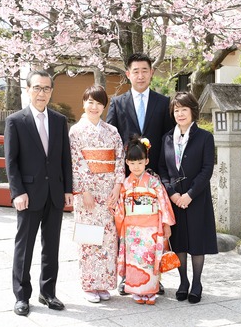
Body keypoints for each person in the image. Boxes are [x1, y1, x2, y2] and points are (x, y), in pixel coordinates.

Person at [4, 70, 73, 317]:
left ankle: (48, 292)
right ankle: (22, 296)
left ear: (51, 91)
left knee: (51, 246)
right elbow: (10, 162)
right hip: (29, 195)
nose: (41, 93)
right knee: (25, 246)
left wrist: (68, 189)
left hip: (54, 193)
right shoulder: (16, 121)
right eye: (37, 88)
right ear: (28, 89)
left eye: (46, 88)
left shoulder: (59, 120)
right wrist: (17, 192)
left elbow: (65, 158)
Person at [106, 52, 174, 295]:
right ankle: (128, 277)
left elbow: (168, 139)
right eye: (135, 71)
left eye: (145, 70)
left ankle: (154, 275)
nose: (141, 75)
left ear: (151, 72)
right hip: (128, 176)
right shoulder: (118, 103)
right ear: (128, 74)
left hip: (153, 176)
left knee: (152, 229)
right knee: (129, 230)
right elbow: (112, 139)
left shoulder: (163, 102)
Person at [158, 91, 218, 304]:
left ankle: (197, 282)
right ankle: (183, 281)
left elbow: (207, 169)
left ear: (193, 111)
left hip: (196, 198)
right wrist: (172, 193)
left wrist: (189, 194)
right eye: (176, 110)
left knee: (197, 242)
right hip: (174, 199)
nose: (180, 113)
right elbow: (162, 169)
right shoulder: (166, 138)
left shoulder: (205, 137)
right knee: (179, 241)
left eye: (184, 109)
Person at [69, 85, 125, 303]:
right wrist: (84, 190)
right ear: (83, 103)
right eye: (90, 102)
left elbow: (119, 158)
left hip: (108, 193)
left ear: (104, 106)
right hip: (87, 194)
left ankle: (104, 284)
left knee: (108, 239)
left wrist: (117, 186)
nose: (94, 107)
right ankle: (89, 284)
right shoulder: (75, 131)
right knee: (88, 238)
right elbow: (75, 162)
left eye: (99, 103)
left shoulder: (111, 131)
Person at [115, 135, 175, 305]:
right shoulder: (125, 184)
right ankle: (136, 290)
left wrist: (165, 224)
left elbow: (163, 203)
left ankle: (150, 290)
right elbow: (121, 207)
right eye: (132, 163)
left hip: (151, 227)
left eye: (140, 162)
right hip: (132, 228)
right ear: (127, 163)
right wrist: (121, 223)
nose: (136, 166)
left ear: (147, 161)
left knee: (150, 257)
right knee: (135, 258)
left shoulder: (154, 182)